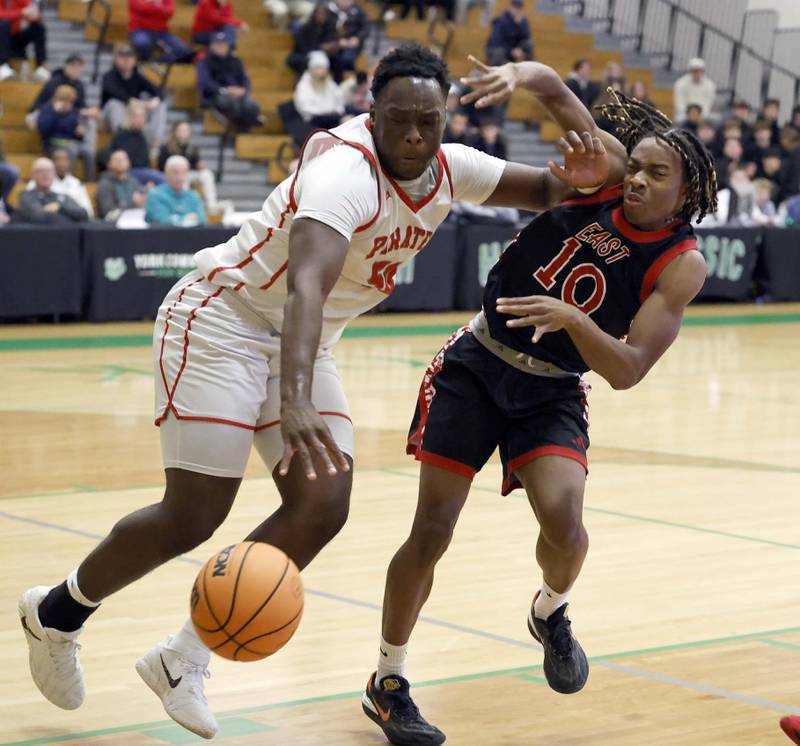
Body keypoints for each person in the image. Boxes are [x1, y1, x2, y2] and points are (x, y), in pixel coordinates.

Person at [17, 43, 583, 741]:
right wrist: (294, 397)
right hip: (224, 318)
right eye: (399, 119)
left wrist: (554, 102)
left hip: (299, 346)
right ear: (369, 113)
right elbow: (306, 285)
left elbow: (562, 188)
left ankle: (182, 657)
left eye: (428, 122)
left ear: (444, 120)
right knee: (195, 513)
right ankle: (56, 616)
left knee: (322, 503)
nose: (413, 135)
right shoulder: (343, 172)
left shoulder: (451, 168)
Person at [365, 60, 716, 746]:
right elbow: (557, 91)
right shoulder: (607, 173)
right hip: (476, 363)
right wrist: (518, 74)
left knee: (567, 524)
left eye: (656, 175)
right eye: (636, 166)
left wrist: (576, 321)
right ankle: (388, 681)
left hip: (553, 386)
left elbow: (629, 369)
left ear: (687, 192)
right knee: (431, 531)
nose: (638, 179)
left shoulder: (682, 263)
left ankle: (550, 611)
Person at [101, 45, 166, 147]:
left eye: (129, 57)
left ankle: (154, 142)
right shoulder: (108, 76)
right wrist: (130, 101)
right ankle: (122, 141)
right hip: (110, 115)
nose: (126, 60)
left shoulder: (137, 76)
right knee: (114, 104)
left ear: (134, 60)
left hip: (134, 112)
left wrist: (155, 100)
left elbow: (157, 90)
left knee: (160, 105)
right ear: (116, 59)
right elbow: (114, 92)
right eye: (122, 57)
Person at [196, 32, 262, 131]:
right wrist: (225, 90)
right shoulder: (205, 62)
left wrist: (244, 90)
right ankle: (243, 126)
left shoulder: (235, 60)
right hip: (215, 95)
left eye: (223, 44)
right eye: (218, 44)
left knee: (253, 105)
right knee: (233, 105)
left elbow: (244, 78)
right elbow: (205, 82)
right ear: (212, 46)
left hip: (238, 94)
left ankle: (246, 127)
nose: (221, 47)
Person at [26, 54, 99, 135]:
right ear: (65, 66)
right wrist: (81, 111)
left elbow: (80, 105)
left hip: (67, 113)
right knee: (58, 114)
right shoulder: (54, 81)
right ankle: (51, 144)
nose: (76, 70)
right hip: (42, 112)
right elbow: (53, 106)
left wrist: (89, 111)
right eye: (73, 66)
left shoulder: (79, 85)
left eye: (79, 67)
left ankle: (87, 147)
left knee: (89, 119)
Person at [157, 121, 219, 212]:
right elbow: (161, 166)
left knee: (207, 174)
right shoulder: (166, 147)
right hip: (175, 176)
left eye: (185, 130)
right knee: (183, 178)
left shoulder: (192, 148)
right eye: (180, 130)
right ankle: (183, 206)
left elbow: (196, 163)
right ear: (174, 132)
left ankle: (212, 205)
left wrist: (200, 166)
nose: (183, 133)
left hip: (191, 173)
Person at [36, 85, 95, 179]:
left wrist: (79, 132)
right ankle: (68, 179)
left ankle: (90, 181)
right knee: (71, 150)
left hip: (71, 142)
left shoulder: (72, 111)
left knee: (89, 152)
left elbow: (73, 128)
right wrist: (55, 113)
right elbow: (43, 129)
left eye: (71, 102)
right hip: (52, 144)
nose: (70, 104)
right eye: (67, 101)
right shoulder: (48, 109)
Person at [14, 157, 89, 224]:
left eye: (49, 171)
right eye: (40, 171)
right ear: (33, 175)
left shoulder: (63, 197)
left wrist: (60, 208)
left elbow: (83, 215)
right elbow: (39, 217)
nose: (45, 174)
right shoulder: (26, 196)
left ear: (54, 174)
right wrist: (71, 220)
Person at [26, 146, 94, 218]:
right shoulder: (39, 182)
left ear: (70, 162)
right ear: (52, 162)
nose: (61, 163)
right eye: (58, 159)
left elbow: (88, 212)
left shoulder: (76, 183)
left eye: (65, 160)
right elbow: (31, 209)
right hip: (47, 224)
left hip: (74, 223)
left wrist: (61, 208)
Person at [109, 101, 164, 186]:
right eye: (136, 116)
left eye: (142, 116)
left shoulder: (142, 135)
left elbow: (146, 159)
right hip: (129, 171)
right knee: (163, 180)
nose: (139, 119)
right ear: (129, 117)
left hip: (144, 171)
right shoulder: (122, 135)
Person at [145, 154, 206, 226]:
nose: (180, 177)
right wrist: (185, 218)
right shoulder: (155, 195)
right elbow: (163, 221)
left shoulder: (193, 196)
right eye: (175, 172)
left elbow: (202, 220)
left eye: (183, 172)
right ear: (166, 173)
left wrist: (176, 219)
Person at [128, 0, 194, 63]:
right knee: (142, 44)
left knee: (184, 51)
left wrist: (150, 5)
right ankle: (145, 63)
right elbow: (141, 8)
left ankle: (157, 62)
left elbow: (169, 12)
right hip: (140, 31)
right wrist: (159, 7)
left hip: (162, 32)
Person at [293, 50, 344, 130]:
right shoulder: (303, 85)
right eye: (319, 68)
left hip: (332, 117)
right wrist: (326, 112)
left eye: (324, 68)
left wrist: (335, 112)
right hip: (313, 120)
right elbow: (304, 107)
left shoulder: (331, 84)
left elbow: (339, 103)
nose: (322, 71)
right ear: (312, 69)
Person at [0, 0, 48, 82]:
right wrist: (22, 12)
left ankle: (40, 67)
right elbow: (2, 15)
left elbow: (29, 12)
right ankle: (2, 66)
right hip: (2, 39)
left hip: (16, 39)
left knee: (39, 28)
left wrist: (35, 15)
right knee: (4, 25)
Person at [285, 3, 338, 76]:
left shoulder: (329, 28)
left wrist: (332, 46)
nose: (321, 17)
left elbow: (332, 42)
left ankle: (337, 84)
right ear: (314, 15)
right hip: (304, 54)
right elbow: (302, 47)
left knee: (337, 60)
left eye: (324, 14)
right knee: (307, 62)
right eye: (319, 14)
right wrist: (321, 47)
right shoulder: (305, 28)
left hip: (324, 54)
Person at [95, 149, 146, 221]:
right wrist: (132, 202)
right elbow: (108, 213)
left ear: (129, 163)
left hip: (135, 221)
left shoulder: (133, 182)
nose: (120, 162)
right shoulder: (104, 184)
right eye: (117, 160)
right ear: (109, 164)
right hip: (113, 226)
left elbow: (140, 201)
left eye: (123, 159)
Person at [327, 0, 369, 79]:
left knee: (345, 59)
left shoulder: (358, 11)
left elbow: (366, 28)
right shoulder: (329, 11)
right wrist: (337, 41)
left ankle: (345, 80)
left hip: (352, 43)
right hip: (334, 43)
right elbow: (327, 30)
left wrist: (357, 38)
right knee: (329, 58)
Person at [485, 0, 533, 66]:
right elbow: (496, 42)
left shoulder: (521, 20)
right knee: (499, 52)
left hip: (512, 50)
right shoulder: (501, 20)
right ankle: (501, 71)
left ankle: (528, 68)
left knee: (528, 44)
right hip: (498, 50)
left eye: (519, 8)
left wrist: (520, 24)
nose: (517, 9)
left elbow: (526, 37)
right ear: (510, 7)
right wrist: (511, 51)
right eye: (515, 7)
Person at [673, 57, 715, 121]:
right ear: (690, 71)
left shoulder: (710, 85)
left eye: (700, 71)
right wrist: (690, 114)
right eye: (695, 71)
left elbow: (708, 104)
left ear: (703, 71)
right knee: (679, 119)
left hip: (703, 115)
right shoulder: (680, 84)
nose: (697, 73)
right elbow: (680, 105)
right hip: (686, 114)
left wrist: (700, 115)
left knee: (715, 119)